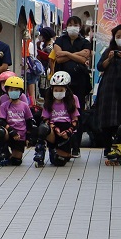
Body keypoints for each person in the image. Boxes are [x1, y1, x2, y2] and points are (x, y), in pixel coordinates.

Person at [94, 25, 121, 160]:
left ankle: (118, 147)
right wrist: (109, 58)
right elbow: (100, 66)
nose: (120, 39)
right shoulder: (108, 50)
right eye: (118, 36)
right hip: (108, 89)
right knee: (106, 119)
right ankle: (108, 147)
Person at [52, 16, 92, 156]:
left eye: (75, 24)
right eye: (70, 24)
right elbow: (58, 57)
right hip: (61, 83)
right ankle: (62, 144)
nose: (73, 27)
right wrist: (76, 56)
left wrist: (67, 53)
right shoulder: (60, 40)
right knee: (61, 112)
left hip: (79, 82)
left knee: (77, 113)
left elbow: (84, 57)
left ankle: (76, 146)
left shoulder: (85, 42)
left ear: (80, 26)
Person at [38, 71, 79, 167]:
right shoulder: (49, 101)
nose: (58, 92)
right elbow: (45, 118)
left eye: (61, 90)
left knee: (59, 162)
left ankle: (60, 151)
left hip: (66, 131)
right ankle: (40, 153)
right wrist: (54, 128)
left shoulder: (72, 100)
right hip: (53, 130)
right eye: (56, 90)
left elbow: (76, 120)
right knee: (43, 127)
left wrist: (69, 131)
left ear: (66, 89)